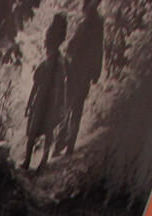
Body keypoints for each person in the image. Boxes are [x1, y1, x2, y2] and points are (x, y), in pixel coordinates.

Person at [23, 13, 69, 172]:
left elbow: (59, 87)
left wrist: (61, 105)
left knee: (43, 130)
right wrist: (30, 103)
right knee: (37, 130)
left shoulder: (57, 64)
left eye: (48, 42)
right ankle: (30, 161)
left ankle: (38, 161)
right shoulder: (48, 65)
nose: (46, 44)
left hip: (50, 101)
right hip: (45, 100)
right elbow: (36, 86)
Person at [60, 0, 105, 155]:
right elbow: (73, 46)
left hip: (81, 71)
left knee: (73, 105)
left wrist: (96, 71)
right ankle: (65, 142)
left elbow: (97, 48)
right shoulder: (86, 24)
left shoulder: (94, 24)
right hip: (77, 70)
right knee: (71, 105)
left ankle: (67, 142)